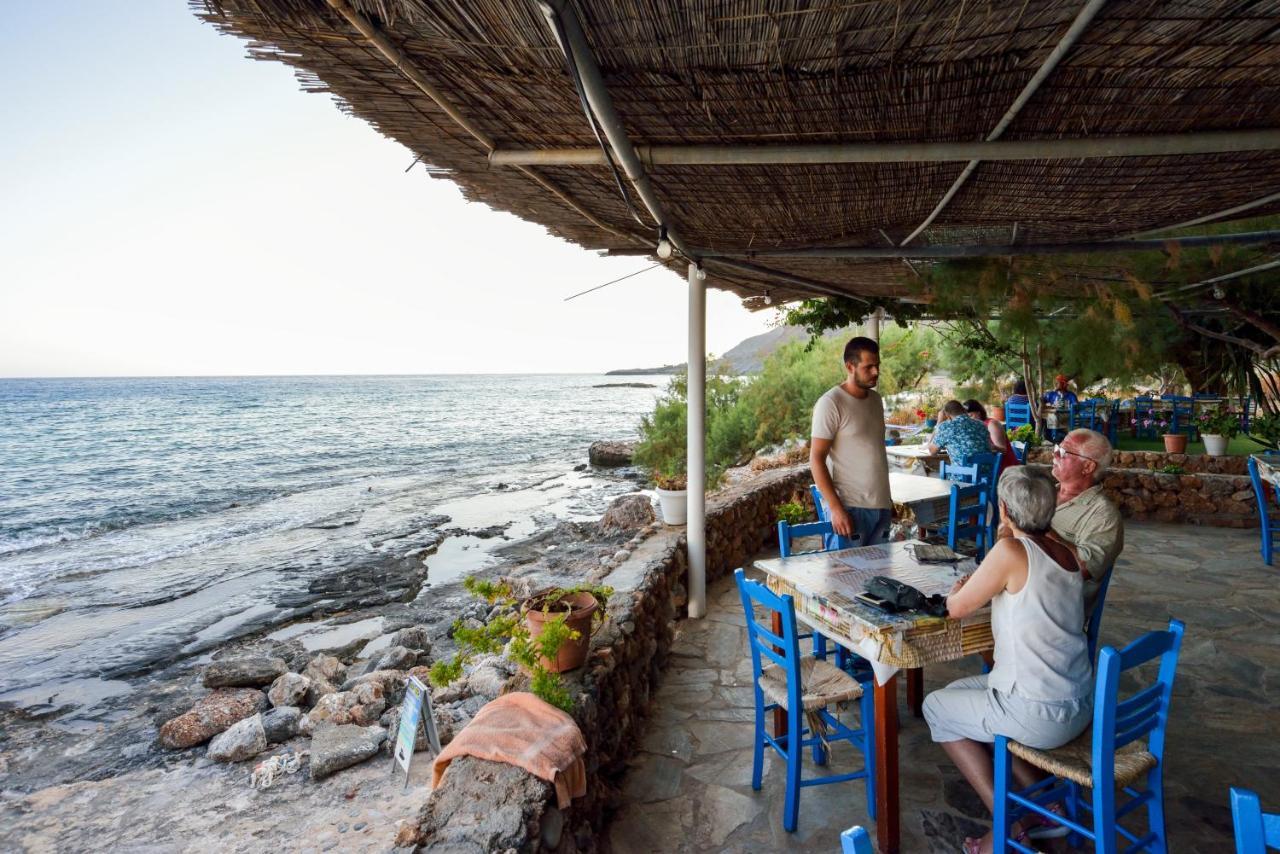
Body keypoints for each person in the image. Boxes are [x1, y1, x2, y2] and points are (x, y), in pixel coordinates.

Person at [923, 467, 1095, 854]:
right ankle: (1047, 804)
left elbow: (956, 609)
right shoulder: (1068, 552)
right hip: (1077, 703)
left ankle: (1006, 828)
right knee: (956, 693)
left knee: (935, 707)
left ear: (1002, 507)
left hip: (1037, 711)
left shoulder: (1010, 552)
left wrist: (959, 591)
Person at [810, 336, 892, 547]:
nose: (876, 372)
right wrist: (836, 509)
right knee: (844, 578)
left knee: (880, 578)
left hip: (880, 506)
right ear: (850, 366)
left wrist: (886, 501)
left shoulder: (876, 400)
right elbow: (816, 459)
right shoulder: (830, 403)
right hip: (849, 508)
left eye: (877, 365)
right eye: (869, 367)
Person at [1047, 428, 1124, 616]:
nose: (1054, 453)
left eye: (1064, 452)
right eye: (1057, 447)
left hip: (1057, 609)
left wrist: (1039, 528)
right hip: (1020, 583)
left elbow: (1084, 569)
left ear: (1088, 467)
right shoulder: (1044, 493)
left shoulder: (1103, 515)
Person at [928, 400, 994, 462]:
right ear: (964, 410)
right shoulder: (981, 424)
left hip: (963, 472)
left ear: (947, 415)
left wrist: (939, 422)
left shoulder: (946, 427)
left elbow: (932, 452)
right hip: (987, 471)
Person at [965, 399, 1019, 472]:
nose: (969, 419)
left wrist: (989, 446)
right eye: (966, 417)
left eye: (971, 415)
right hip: (989, 465)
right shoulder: (974, 427)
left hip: (1003, 467)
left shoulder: (992, 424)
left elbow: (1003, 450)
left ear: (979, 412)